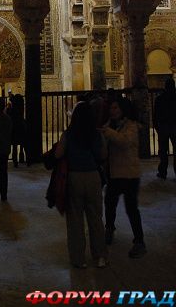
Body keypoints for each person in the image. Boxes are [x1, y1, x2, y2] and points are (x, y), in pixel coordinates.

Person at [55, 101, 108, 269]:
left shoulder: (69, 134)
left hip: (74, 178)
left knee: (75, 220)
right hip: (93, 177)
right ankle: (100, 256)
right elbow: (103, 155)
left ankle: (78, 259)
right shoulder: (96, 134)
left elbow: (58, 154)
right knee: (96, 219)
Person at [101, 98, 146, 258]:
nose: (112, 111)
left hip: (129, 174)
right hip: (115, 174)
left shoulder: (131, 126)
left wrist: (108, 132)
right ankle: (109, 228)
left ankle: (139, 241)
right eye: (111, 108)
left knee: (131, 208)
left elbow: (125, 141)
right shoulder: (111, 125)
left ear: (123, 110)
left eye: (115, 108)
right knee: (109, 204)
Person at [153, 77, 176, 179]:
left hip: (163, 127)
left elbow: (155, 115)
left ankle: (162, 172)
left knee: (163, 151)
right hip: (174, 126)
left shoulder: (159, 99)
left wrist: (157, 127)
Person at [7, 93, 27, 167]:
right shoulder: (21, 108)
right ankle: (23, 158)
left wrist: (8, 107)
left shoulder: (12, 110)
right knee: (22, 143)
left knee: (14, 145)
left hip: (14, 128)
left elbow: (8, 114)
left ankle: (15, 161)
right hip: (21, 126)